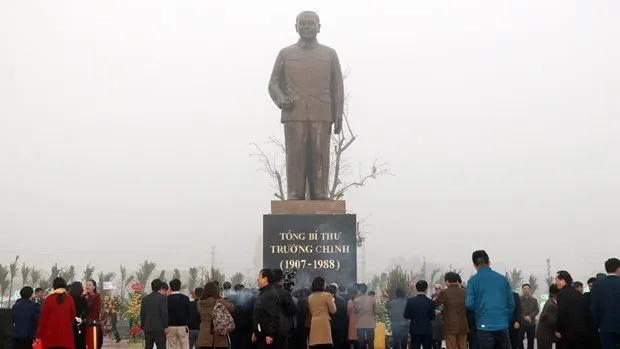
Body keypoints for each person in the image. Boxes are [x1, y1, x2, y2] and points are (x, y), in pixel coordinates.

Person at [465, 250, 514, 349]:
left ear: (474, 265)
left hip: (483, 326)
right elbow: (511, 304)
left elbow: (469, 304)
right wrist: (505, 319)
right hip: (502, 325)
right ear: (489, 262)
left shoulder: (473, 281)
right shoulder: (502, 279)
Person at [36, 277, 76, 349]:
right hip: (66, 336)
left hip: (50, 336)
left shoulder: (49, 299)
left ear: (54, 286)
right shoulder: (69, 298)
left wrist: (39, 336)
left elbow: (43, 319)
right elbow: (73, 315)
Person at [590, 258, 620, 349]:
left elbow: (593, 307)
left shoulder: (597, 285)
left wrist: (598, 324)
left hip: (605, 327)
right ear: (618, 268)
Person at [196, 281, 235, 349]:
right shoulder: (219, 301)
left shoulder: (199, 303)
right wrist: (223, 299)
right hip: (219, 334)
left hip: (204, 336)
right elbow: (232, 308)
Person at [434, 272, 468, 349]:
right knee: (463, 346)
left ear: (447, 281)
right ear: (456, 280)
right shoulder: (465, 292)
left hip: (450, 327)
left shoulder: (445, 292)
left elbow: (434, 304)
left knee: (451, 346)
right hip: (463, 325)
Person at [554, 270, 587, 347]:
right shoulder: (578, 293)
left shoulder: (561, 294)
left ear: (563, 281)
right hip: (580, 331)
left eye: (556, 280)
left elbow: (561, 313)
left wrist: (558, 329)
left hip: (566, 332)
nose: (555, 282)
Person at [253, 269, 282, 349]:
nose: (257, 279)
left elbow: (273, 315)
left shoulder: (270, 294)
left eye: (259, 276)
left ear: (265, 279)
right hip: (261, 334)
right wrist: (255, 331)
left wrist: (270, 335)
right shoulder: (263, 293)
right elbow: (259, 315)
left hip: (267, 337)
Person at [404, 280, 435, 349]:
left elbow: (406, 315)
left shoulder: (410, 301)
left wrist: (413, 316)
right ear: (426, 289)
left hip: (415, 329)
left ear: (416, 288)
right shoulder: (430, 302)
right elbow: (433, 317)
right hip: (427, 330)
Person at [307, 277, 337, 349]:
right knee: (325, 343)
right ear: (323, 285)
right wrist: (333, 301)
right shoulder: (327, 295)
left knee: (315, 344)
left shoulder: (310, 297)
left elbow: (311, 311)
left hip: (314, 322)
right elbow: (333, 310)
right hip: (324, 323)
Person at [141, 279, 169, 349]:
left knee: (148, 346)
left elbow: (142, 314)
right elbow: (164, 313)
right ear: (160, 287)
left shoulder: (145, 299)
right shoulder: (162, 298)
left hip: (148, 327)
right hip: (159, 328)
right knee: (161, 346)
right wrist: (165, 326)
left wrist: (142, 327)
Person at [167, 279, 190, 349]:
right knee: (185, 346)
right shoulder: (185, 298)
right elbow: (188, 312)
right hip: (183, 327)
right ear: (180, 287)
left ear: (170, 287)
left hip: (170, 326)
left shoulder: (166, 299)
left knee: (171, 346)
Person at [535, 284, 559, 349]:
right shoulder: (552, 305)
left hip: (545, 334)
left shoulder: (550, 302)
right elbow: (551, 321)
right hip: (544, 335)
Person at [354, 283, 377, 349]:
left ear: (359, 290)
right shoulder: (372, 299)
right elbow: (375, 311)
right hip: (370, 323)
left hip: (360, 323)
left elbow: (355, 312)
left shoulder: (356, 300)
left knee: (360, 343)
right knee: (371, 343)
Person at [327, 285, 348, 349]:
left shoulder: (326, 301)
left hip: (329, 325)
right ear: (336, 291)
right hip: (339, 326)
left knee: (330, 343)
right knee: (338, 343)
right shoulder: (341, 300)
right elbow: (345, 313)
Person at [518, 284, 538, 349]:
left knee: (531, 341)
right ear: (522, 290)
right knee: (519, 340)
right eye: (524, 289)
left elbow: (536, 310)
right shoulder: (518, 299)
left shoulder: (534, 300)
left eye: (527, 289)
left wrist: (530, 316)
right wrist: (524, 317)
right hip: (521, 323)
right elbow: (518, 310)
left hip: (531, 323)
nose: (526, 290)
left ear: (530, 290)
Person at [84, 279, 103, 349]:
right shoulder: (84, 296)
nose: (87, 286)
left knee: (93, 344)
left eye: (89, 285)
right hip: (85, 324)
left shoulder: (96, 297)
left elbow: (95, 309)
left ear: (94, 287)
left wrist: (86, 299)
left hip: (93, 324)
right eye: (87, 285)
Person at [69, 282, 88, 349]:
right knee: (81, 343)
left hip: (70, 324)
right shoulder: (83, 299)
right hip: (80, 324)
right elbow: (87, 312)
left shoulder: (68, 299)